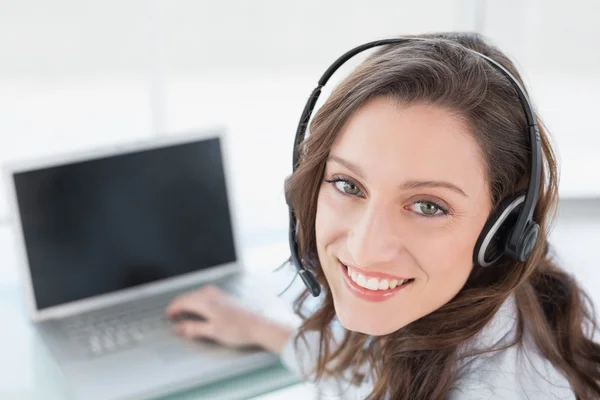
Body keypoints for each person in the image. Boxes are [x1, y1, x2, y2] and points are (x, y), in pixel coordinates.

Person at [164, 32, 600, 399]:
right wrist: (261, 330)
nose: (365, 247)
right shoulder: (440, 308)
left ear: (504, 230)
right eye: (348, 185)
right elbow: (364, 369)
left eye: (428, 206)